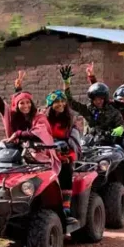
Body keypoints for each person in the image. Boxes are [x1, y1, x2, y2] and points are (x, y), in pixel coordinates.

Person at [45, 73, 82, 217]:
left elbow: (75, 145)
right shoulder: (44, 121)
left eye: (62, 101)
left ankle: (66, 203)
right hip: (46, 154)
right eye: (56, 102)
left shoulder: (70, 122)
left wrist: (69, 156)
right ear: (50, 105)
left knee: (66, 169)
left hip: (64, 155)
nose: (60, 104)